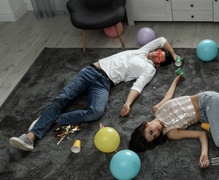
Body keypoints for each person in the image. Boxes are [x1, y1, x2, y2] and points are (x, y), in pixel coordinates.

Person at [9, 37, 179, 151]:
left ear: (157, 65)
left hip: (105, 84)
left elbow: (138, 86)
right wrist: (173, 54)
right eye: (158, 52)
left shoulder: (149, 69)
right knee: (63, 98)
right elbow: (162, 39)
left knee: (96, 112)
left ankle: (50, 120)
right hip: (91, 71)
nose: (156, 54)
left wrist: (128, 103)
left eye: (159, 58)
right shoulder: (142, 51)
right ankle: (30, 137)